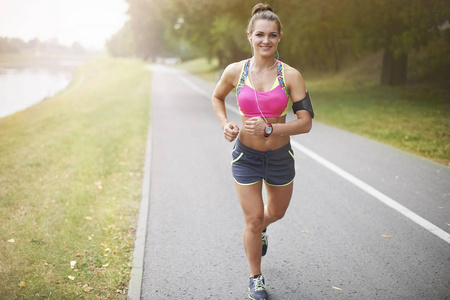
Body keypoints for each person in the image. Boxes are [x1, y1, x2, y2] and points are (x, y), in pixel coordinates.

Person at [211, 3, 314, 300]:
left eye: (271, 35)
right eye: (259, 34)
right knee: (253, 218)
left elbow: (305, 123)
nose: (265, 40)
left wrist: (272, 129)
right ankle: (256, 278)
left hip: (280, 157)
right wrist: (225, 124)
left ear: (279, 37)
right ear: (249, 36)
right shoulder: (235, 71)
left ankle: (263, 230)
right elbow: (217, 97)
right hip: (246, 156)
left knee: (275, 213)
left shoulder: (291, 75)